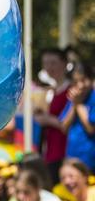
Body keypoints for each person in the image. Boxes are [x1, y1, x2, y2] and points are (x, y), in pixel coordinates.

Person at [37, 47, 71, 181]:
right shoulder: (51, 91)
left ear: (64, 63)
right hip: (50, 150)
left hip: (64, 150)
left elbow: (67, 123)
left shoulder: (72, 90)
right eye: (46, 63)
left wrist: (47, 119)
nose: (49, 67)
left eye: (53, 63)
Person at [60, 67, 95, 171]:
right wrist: (74, 104)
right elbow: (64, 127)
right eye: (76, 82)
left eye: (83, 80)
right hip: (72, 157)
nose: (80, 85)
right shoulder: (73, 100)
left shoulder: (92, 99)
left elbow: (90, 129)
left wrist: (78, 104)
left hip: (90, 159)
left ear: (91, 79)